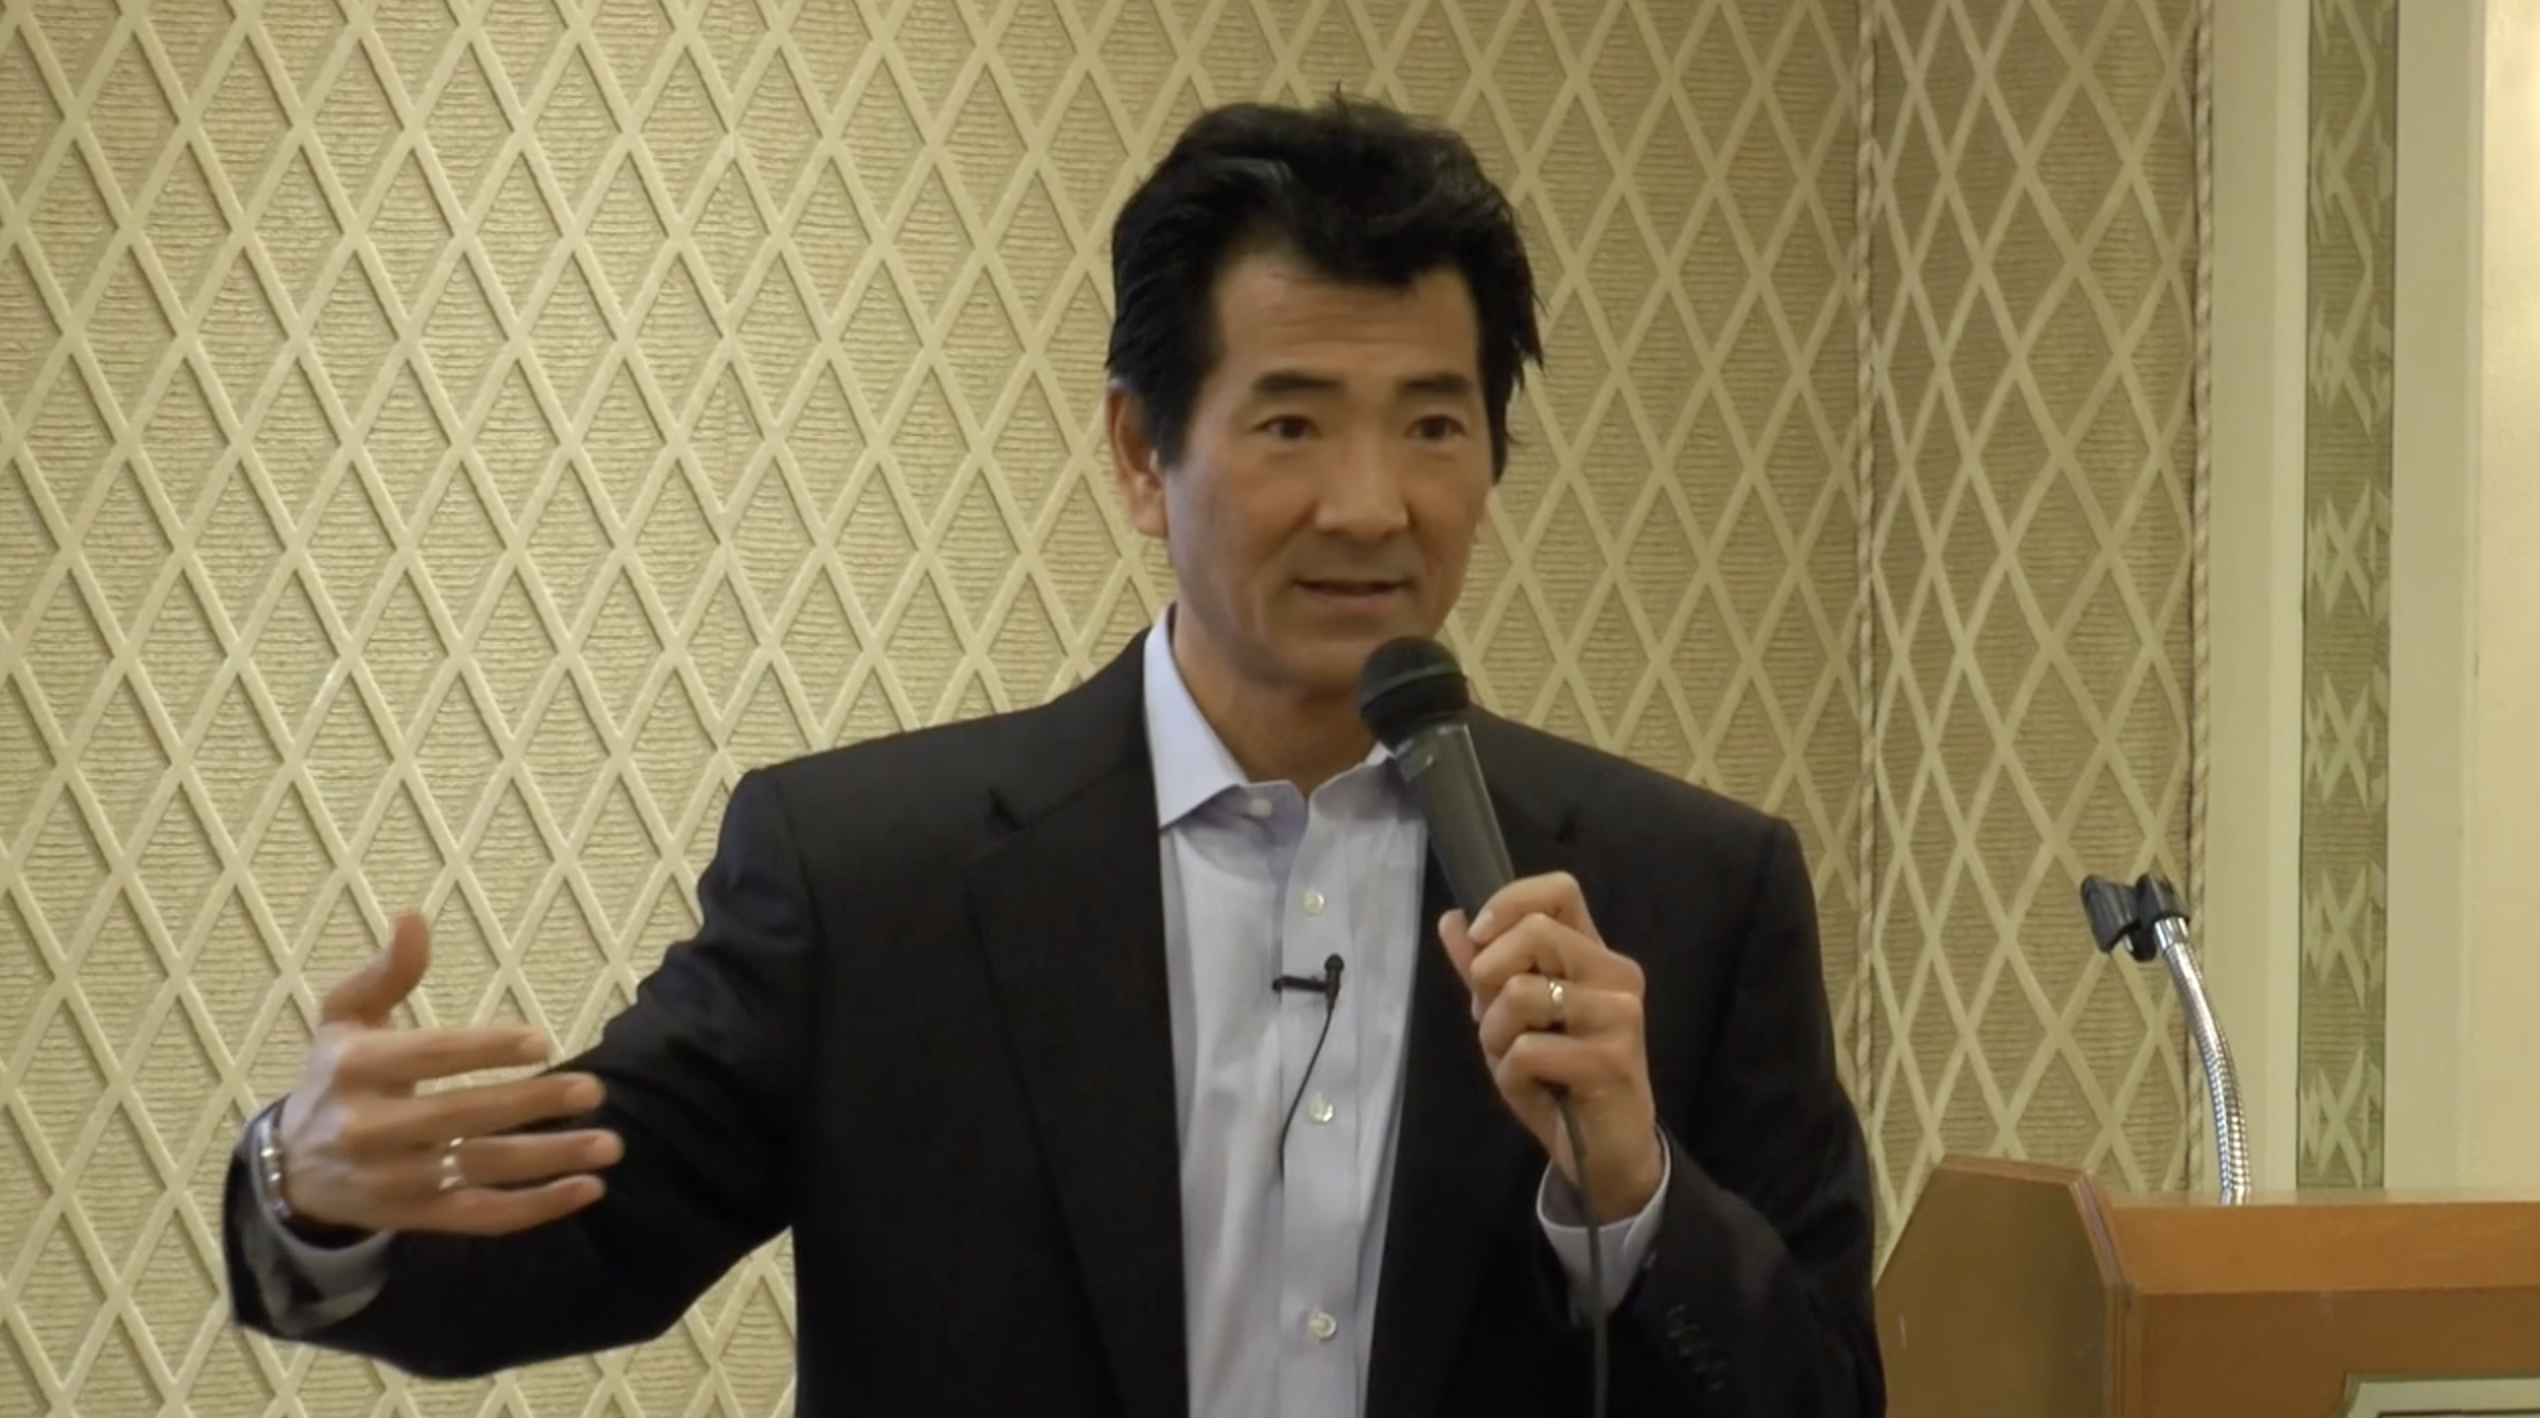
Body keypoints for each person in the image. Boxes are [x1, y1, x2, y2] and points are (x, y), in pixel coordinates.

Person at [223, 96, 1884, 1417]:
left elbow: (1826, 1388)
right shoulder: (871, 883)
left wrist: (1632, 1194)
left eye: (1435, 425)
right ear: (1141, 453)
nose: (1373, 503)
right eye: (1293, 421)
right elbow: (573, 1242)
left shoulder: (1685, 894)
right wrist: (314, 1189)